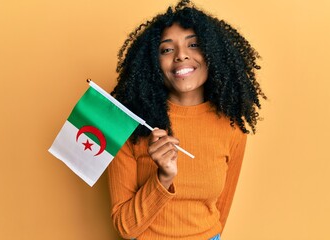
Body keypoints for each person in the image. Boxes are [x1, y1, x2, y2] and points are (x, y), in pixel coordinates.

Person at [107, 0, 266, 239]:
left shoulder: (232, 128)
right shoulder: (128, 125)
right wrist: (162, 178)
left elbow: (220, 214)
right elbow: (125, 227)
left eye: (194, 45)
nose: (181, 55)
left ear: (213, 53)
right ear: (152, 63)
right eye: (167, 49)